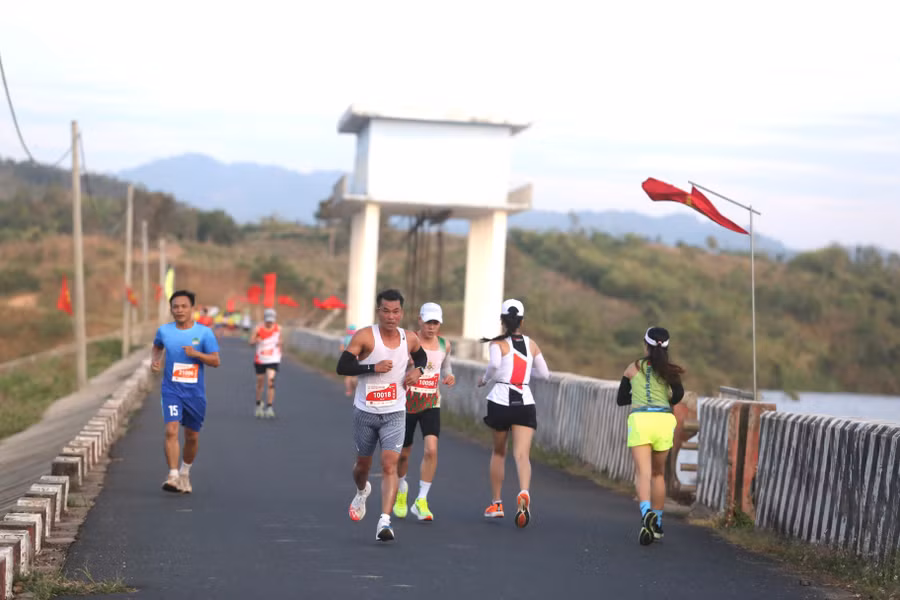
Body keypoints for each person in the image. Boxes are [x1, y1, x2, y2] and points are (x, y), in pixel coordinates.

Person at [336, 289, 427, 542]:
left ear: (402, 313)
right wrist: (371, 367)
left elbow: (421, 355)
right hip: (365, 413)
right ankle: (362, 490)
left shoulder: (409, 338)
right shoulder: (366, 336)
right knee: (362, 467)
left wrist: (418, 370)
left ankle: (384, 521)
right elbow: (342, 366)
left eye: (396, 311)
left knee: (389, 465)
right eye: (386, 311)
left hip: (395, 412)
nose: (391, 316)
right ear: (379, 312)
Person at [477, 299, 550, 528]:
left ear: (502, 320)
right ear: (522, 321)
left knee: (499, 452)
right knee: (522, 455)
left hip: (500, 400)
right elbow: (545, 374)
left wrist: (485, 380)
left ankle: (497, 504)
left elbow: (494, 366)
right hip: (524, 402)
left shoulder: (497, 344)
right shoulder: (531, 344)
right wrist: (526, 376)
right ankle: (524, 492)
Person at [616, 327, 685, 545]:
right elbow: (679, 395)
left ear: (645, 345)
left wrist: (639, 396)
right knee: (658, 475)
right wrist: (663, 399)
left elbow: (621, 399)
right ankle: (658, 523)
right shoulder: (670, 371)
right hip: (663, 421)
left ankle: (646, 513)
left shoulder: (633, 367)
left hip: (640, 421)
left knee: (643, 473)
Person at [150, 290, 221, 494]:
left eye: (184, 306)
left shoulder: (204, 333)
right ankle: (172, 475)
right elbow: (157, 347)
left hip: (195, 394)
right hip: (171, 389)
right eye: (175, 307)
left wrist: (196, 354)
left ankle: (184, 473)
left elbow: (216, 361)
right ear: (171, 310)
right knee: (171, 430)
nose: (179, 310)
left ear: (192, 309)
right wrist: (155, 361)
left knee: (192, 436)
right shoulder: (164, 331)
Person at [393, 302, 455, 521]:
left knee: (431, 450)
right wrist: (408, 367)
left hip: (431, 402)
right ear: (420, 320)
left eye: (435, 323)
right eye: (428, 322)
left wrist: (449, 376)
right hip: (407, 403)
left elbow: (445, 367)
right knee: (403, 453)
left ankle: (421, 500)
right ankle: (401, 489)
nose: (431, 327)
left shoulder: (444, 344)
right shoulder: (409, 341)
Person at [249, 308, 282, 418]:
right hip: (260, 359)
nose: (269, 323)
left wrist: (279, 346)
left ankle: (270, 407)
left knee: (271, 382)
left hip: (273, 359)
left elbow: (280, 342)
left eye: (271, 321)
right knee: (260, 382)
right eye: (268, 321)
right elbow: (251, 342)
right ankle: (258, 404)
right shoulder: (258, 329)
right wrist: (256, 340)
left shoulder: (278, 329)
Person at [339, 324, 358, 397]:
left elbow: (341, 349)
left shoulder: (343, 339)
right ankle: (356, 390)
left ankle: (349, 390)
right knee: (355, 376)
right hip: (355, 359)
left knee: (347, 377)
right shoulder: (357, 339)